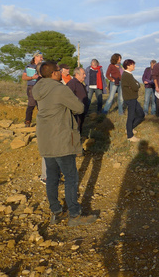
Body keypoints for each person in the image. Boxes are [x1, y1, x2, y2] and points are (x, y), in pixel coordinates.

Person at [32, 61, 97, 226]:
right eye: (59, 70)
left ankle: (56, 212)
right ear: (54, 73)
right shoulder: (60, 89)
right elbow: (79, 108)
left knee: (52, 177)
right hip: (61, 138)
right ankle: (74, 215)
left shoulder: (38, 89)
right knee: (70, 177)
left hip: (45, 139)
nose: (61, 72)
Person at [121, 59, 145, 142]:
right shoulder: (126, 75)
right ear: (128, 66)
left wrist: (136, 85)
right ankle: (130, 136)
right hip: (130, 99)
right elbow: (135, 87)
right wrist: (135, 85)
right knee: (131, 116)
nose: (134, 66)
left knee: (140, 114)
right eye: (132, 64)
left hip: (132, 98)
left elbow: (137, 84)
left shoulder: (129, 74)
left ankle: (129, 129)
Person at [22, 51, 43, 127]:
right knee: (31, 104)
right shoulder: (29, 66)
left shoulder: (43, 66)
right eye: (40, 57)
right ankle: (27, 121)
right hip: (32, 87)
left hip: (41, 87)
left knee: (41, 105)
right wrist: (32, 77)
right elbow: (24, 77)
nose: (42, 58)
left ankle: (42, 122)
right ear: (35, 57)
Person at [66, 67, 89, 134]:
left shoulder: (80, 83)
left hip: (81, 111)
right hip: (76, 113)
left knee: (80, 127)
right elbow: (68, 97)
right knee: (76, 129)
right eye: (83, 74)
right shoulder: (72, 83)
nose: (85, 75)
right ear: (77, 74)